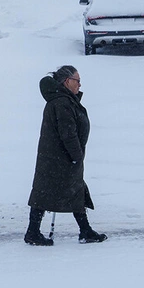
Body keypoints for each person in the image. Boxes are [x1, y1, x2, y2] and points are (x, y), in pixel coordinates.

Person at [25, 65, 107, 246]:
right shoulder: (62, 102)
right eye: (77, 80)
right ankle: (33, 232)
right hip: (60, 158)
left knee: (64, 191)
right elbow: (68, 133)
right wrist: (77, 156)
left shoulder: (64, 100)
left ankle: (83, 230)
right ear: (66, 81)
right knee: (50, 192)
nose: (80, 84)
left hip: (57, 157)